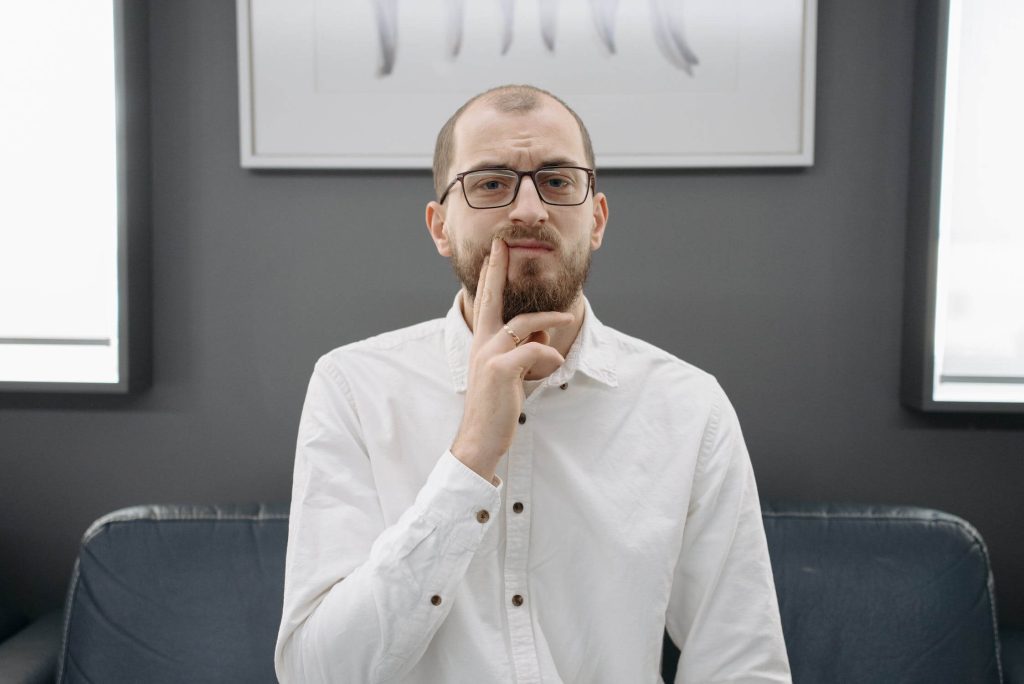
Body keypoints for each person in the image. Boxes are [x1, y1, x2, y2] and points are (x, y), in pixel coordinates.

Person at [275, 84, 791, 683]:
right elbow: (315, 674)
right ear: (440, 226)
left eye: (558, 180)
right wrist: (472, 455)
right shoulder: (353, 388)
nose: (528, 210)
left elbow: (741, 666)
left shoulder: (689, 408)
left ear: (595, 218)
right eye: (491, 183)